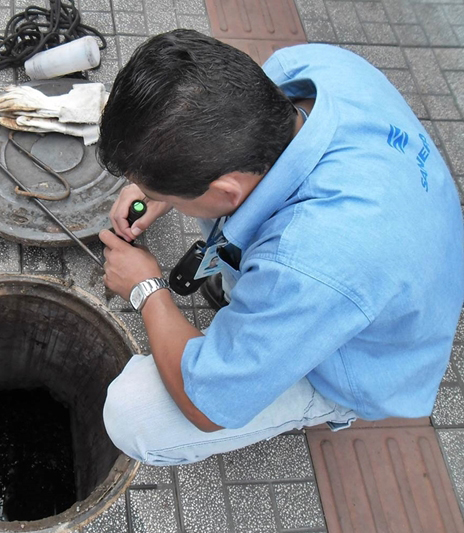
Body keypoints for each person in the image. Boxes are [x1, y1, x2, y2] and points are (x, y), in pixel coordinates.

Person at [97, 29, 464, 465]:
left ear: (226, 188)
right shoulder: (311, 68)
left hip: (372, 349)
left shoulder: (305, 264)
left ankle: (329, 403)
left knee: (133, 414)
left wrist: (146, 288)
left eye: (167, 197)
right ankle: (257, 307)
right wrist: (159, 183)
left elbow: (207, 407)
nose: (155, 200)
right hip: (393, 235)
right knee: (246, 235)